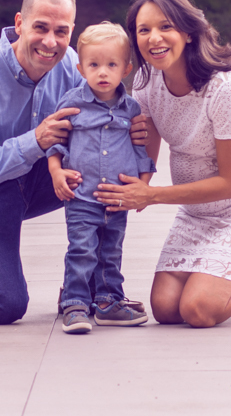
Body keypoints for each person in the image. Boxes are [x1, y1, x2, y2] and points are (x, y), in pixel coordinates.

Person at [0, 0, 151, 325]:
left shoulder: (73, 64)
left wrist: (129, 127)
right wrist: (35, 141)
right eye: (40, 27)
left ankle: (87, 289)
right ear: (20, 23)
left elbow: (108, 101)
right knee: (3, 304)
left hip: (39, 175)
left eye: (62, 31)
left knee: (102, 177)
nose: (50, 42)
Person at [95, 0, 231, 328]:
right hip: (199, 210)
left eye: (166, 26)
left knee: (200, 310)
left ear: (189, 32)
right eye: (144, 30)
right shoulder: (147, 82)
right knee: (165, 309)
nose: (154, 38)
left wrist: (152, 196)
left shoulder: (226, 87)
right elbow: (145, 159)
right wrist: (129, 188)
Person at [47, 22, 156, 334]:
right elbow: (56, 143)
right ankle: (75, 303)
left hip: (118, 198)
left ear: (126, 68)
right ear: (81, 68)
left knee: (111, 251)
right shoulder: (72, 103)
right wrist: (56, 170)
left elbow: (139, 150)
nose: (103, 72)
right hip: (82, 196)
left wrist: (144, 186)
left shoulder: (130, 108)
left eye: (111, 65)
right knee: (82, 250)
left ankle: (108, 301)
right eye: (94, 65)